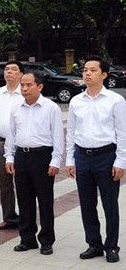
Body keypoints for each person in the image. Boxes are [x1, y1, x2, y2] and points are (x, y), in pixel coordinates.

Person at [65, 56, 125, 263]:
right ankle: (94, 244)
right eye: (85, 70)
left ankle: (112, 246)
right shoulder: (76, 101)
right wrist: (70, 159)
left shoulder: (115, 101)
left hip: (106, 156)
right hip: (82, 156)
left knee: (110, 204)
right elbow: (71, 132)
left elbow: (122, 133)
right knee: (86, 203)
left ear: (104, 74)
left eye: (92, 70)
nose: (87, 73)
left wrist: (120, 161)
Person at [5, 72, 64, 256]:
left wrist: (56, 159)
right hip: (22, 156)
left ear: (39, 87)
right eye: (22, 85)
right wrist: (9, 157)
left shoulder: (51, 108)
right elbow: (12, 134)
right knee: (24, 200)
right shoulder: (16, 108)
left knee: (45, 200)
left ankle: (46, 240)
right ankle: (27, 239)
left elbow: (58, 136)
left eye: (29, 85)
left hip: (42, 156)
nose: (24, 88)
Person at [0, 60, 24, 230]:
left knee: (24, 181)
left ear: (21, 74)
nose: (9, 72)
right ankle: (9, 216)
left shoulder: (25, 92)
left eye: (13, 69)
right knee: (5, 182)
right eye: (6, 69)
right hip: (1, 142)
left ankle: (26, 216)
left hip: (22, 144)